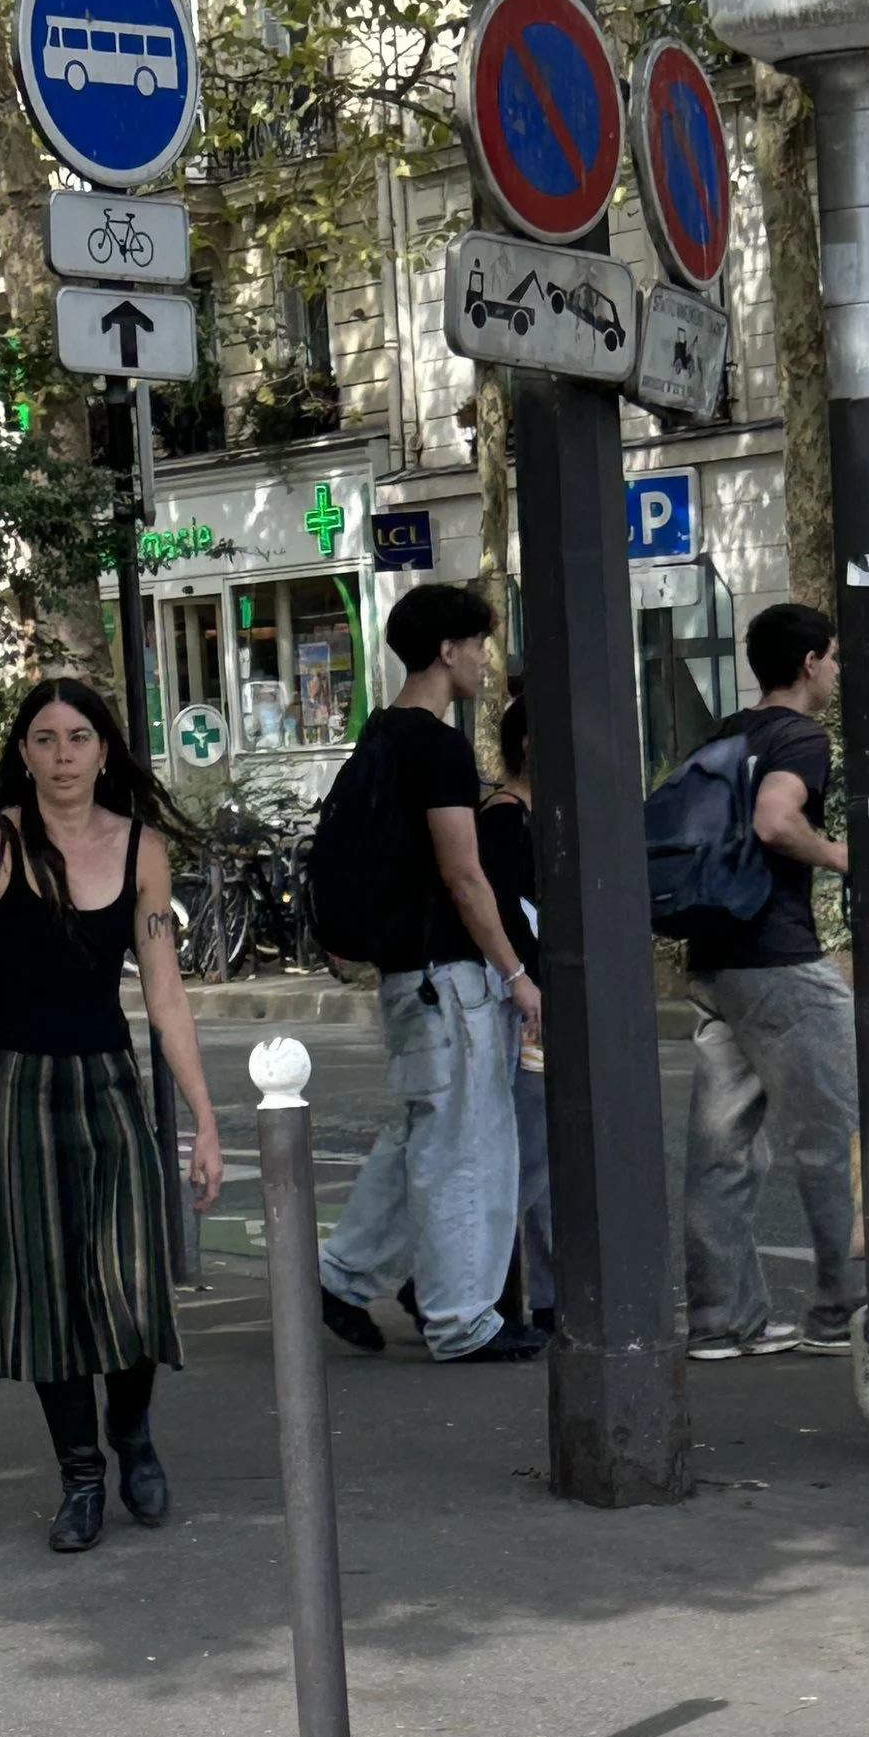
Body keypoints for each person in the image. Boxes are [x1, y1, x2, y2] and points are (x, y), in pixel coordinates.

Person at [0, 676, 224, 1555]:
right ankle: (81, 1477)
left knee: (132, 1278)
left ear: (106, 749)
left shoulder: (143, 848)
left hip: (106, 1083)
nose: (63, 755)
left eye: (78, 737)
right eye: (45, 738)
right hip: (12, 1094)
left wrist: (203, 1118)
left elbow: (165, 993)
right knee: (44, 1294)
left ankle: (134, 1433)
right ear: (24, 751)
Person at [317, 584, 546, 1364]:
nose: (486, 659)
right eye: (478, 644)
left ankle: (342, 1273)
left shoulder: (379, 735)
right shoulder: (439, 747)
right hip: (450, 977)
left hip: (405, 972)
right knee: (464, 1148)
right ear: (446, 650)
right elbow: (465, 876)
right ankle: (460, 1319)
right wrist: (516, 971)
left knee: (421, 1133)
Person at [682, 601, 861, 1363]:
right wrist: (840, 855)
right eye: (835, 656)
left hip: (714, 959)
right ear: (812, 660)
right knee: (838, 1140)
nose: (838, 670)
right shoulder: (800, 735)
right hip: (779, 959)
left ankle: (724, 1320)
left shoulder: (727, 731)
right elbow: (774, 820)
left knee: (722, 1151)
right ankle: (842, 1309)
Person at [476, 690, 551, 1330]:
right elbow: (505, 913)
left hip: (538, 997)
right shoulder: (505, 818)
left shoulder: (536, 813)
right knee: (529, 1156)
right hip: (526, 1001)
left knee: (546, 1155)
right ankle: (471, 1282)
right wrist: (525, 980)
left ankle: (548, 1296)